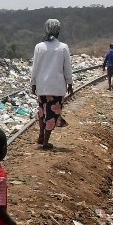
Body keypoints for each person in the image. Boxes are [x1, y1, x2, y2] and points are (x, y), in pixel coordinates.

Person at [30, 19, 73, 150]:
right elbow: (67, 68)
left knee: (42, 112)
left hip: (42, 87)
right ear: (58, 30)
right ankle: (46, 141)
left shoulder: (39, 47)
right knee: (52, 115)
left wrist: (33, 83)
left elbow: (35, 67)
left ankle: (41, 134)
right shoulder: (63, 47)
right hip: (56, 88)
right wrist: (69, 83)